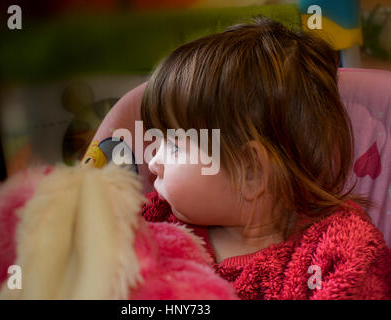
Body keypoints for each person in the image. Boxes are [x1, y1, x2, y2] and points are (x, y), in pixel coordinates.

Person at [138, 17, 391, 299]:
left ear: (251, 171)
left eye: (173, 146)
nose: (153, 162)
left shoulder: (338, 254)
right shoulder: (147, 223)